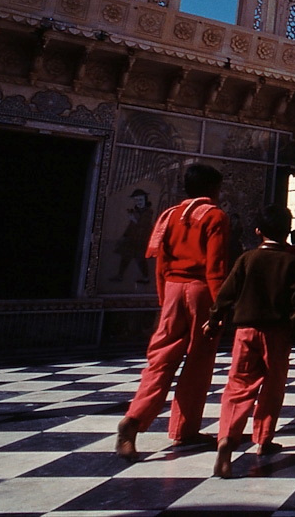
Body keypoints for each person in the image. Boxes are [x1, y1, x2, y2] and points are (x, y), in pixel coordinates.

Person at [116, 163, 230, 461]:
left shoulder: (169, 215)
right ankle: (184, 428)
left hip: (172, 289)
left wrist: (164, 298)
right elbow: (215, 267)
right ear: (212, 189)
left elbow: (160, 262)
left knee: (160, 359)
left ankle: (134, 419)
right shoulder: (215, 215)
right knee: (198, 362)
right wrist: (220, 308)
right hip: (200, 291)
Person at [205, 204, 295, 479]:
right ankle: (263, 439)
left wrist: (214, 319)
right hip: (278, 332)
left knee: (238, 386)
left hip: (245, 331)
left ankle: (227, 438)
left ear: (258, 231)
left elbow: (226, 293)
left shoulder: (247, 259)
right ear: (288, 231)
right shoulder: (292, 262)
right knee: (273, 387)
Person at [110, 189, 156, 284]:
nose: (138, 202)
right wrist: (124, 236)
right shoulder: (136, 211)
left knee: (140, 259)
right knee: (125, 256)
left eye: (140, 200)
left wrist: (134, 218)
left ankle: (146, 278)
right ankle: (120, 275)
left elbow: (143, 224)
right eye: (136, 200)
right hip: (132, 238)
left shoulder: (148, 211)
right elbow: (131, 226)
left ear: (145, 200)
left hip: (143, 239)